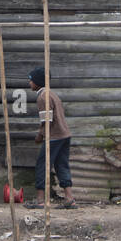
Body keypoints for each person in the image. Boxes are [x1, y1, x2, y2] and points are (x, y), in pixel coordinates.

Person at [29, 66, 74, 208]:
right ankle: (69, 198)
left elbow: (46, 121)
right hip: (64, 135)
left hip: (54, 136)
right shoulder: (52, 94)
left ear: (38, 82)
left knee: (42, 165)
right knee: (61, 165)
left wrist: (40, 135)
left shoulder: (43, 97)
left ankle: (41, 200)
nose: (29, 83)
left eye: (31, 80)